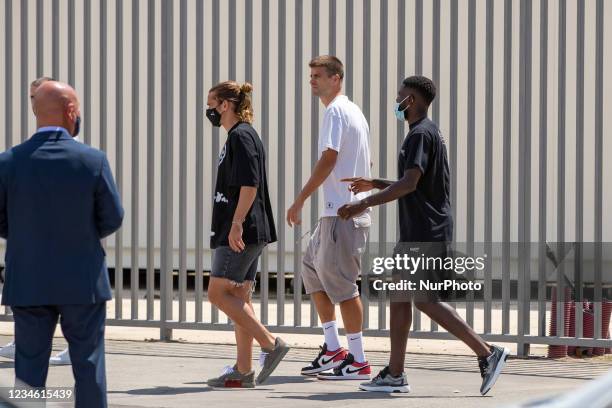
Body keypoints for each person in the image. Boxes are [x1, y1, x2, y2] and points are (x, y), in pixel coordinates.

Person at [338, 75, 509, 395]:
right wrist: (374, 183)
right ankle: (395, 373)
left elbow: (409, 184)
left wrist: (362, 203)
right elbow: (414, 183)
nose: (397, 102)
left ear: (412, 100)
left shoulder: (419, 136)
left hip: (425, 232)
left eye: (400, 97)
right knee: (401, 296)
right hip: (422, 229)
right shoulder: (427, 133)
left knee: (425, 301)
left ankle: (487, 353)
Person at [0, 80, 124, 407]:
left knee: (27, 373)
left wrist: (27, 236)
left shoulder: (9, 162)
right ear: (71, 111)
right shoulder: (92, 160)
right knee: (88, 367)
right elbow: (112, 217)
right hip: (82, 281)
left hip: (28, 279)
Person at [287, 55, 372, 380]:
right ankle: (334, 347)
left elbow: (329, 157)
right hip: (334, 214)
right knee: (312, 272)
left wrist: (299, 200)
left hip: (343, 215)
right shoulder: (353, 112)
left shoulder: (337, 111)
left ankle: (359, 359)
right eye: (311, 75)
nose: (312, 80)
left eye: (318, 75)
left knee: (343, 286)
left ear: (336, 78)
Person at [205, 81, 289, 388]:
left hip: (242, 230)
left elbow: (250, 185)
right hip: (247, 228)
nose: (209, 110)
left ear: (225, 105)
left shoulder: (241, 136)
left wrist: (236, 223)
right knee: (239, 296)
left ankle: (270, 344)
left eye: (211, 104)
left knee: (218, 293)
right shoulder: (240, 136)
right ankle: (243, 369)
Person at [0, 77, 71, 366]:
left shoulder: (64, 136)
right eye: (31, 97)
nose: (34, 103)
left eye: (37, 96)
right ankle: (23, 341)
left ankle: (71, 347)